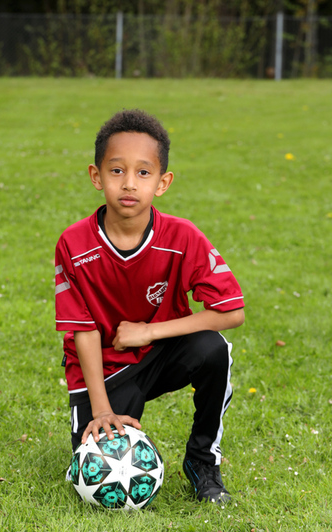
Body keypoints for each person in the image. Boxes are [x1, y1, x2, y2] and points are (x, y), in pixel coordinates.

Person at [55, 109, 245, 504]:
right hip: (105, 370)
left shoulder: (182, 237)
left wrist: (149, 331)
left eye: (143, 172)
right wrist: (101, 411)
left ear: (162, 183)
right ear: (96, 176)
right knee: (98, 472)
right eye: (116, 171)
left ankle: (202, 462)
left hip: (160, 353)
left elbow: (231, 311)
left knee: (214, 349)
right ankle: (105, 412)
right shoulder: (73, 244)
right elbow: (82, 329)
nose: (129, 183)